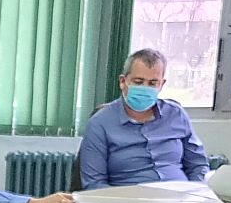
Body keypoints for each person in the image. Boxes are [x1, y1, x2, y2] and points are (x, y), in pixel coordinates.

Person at [77, 48, 209, 188]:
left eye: (153, 83)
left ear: (161, 84)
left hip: (181, 196)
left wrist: (196, 192)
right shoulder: (100, 123)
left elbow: (198, 165)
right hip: (130, 198)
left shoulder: (176, 114)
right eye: (138, 82)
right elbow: (94, 184)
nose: (145, 88)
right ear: (123, 81)